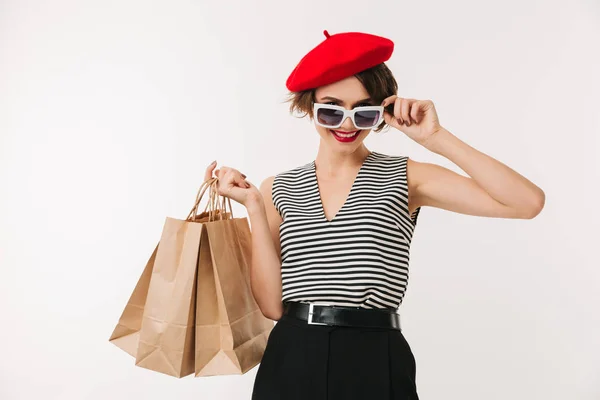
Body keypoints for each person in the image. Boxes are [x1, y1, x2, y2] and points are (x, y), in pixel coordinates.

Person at [204, 30, 545, 400]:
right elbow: (272, 307)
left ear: (381, 112)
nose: (347, 124)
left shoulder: (407, 176)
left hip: (374, 355)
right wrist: (254, 205)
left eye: (364, 111)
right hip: (292, 355)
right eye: (331, 109)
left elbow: (526, 203)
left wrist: (435, 138)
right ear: (307, 107)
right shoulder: (277, 189)